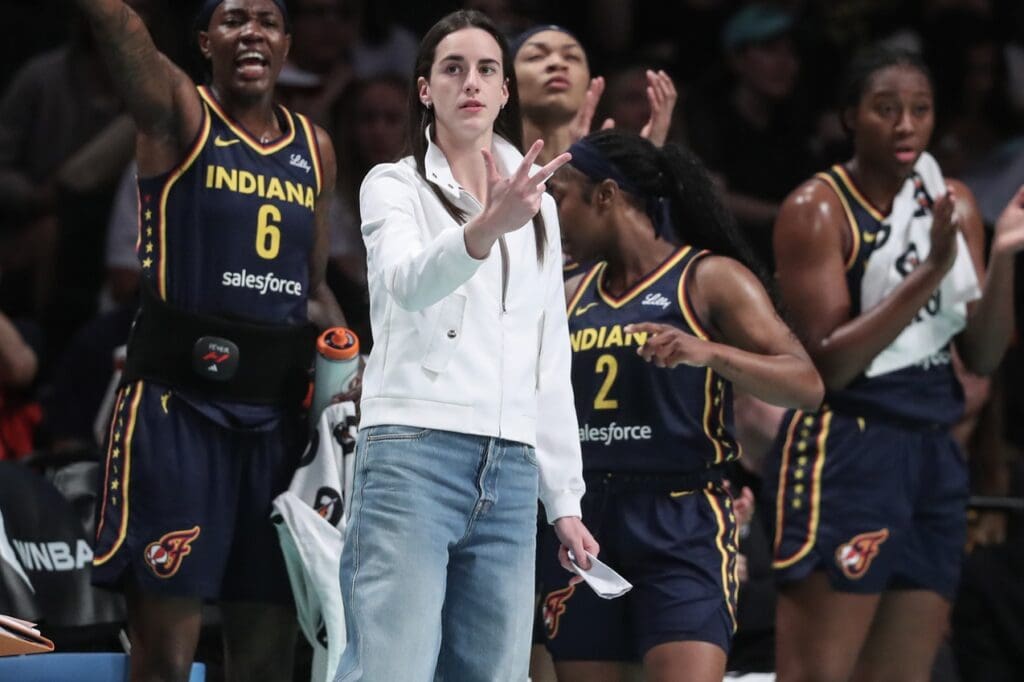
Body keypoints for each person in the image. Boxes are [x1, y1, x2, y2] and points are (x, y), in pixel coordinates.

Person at [72, 0, 345, 679]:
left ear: (286, 45)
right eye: (232, 19)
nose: (250, 31)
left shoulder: (315, 147)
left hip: (276, 425)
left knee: (268, 655)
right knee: (167, 656)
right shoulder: (179, 112)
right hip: (178, 411)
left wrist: (353, 357)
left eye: (266, 20)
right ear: (204, 42)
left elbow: (312, 292)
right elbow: (119, 26)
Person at [335, 10, 597, 681]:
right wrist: (483, 230)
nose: (471, 82)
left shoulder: (538, 205)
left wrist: (562, 499)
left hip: (509, 468)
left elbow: (549, 359)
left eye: (487, 70)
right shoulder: (393, 185)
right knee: (392, 669)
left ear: (506, 91)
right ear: (425, 89)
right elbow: (405, 282)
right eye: (453, 68)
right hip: (412, 454)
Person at [764, 46, 1024, 682]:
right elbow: (830, 365)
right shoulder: (816, 209)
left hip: (933, 455)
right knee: (819, 674)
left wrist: (1007, 259)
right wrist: (931, 271)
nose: (906, 125)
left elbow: (983, 355)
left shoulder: (954, 203)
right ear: (851, 117)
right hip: (848, 448)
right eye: (886, 110)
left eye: (920, 110)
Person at [538, 129, 823, 682]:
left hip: (682, 516)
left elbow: (806, 384)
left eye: (564, 197)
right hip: (586, 519)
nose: (556, 213)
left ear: (606, 196)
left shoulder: (708, 279)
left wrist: (709, 351)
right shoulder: (569, 290)